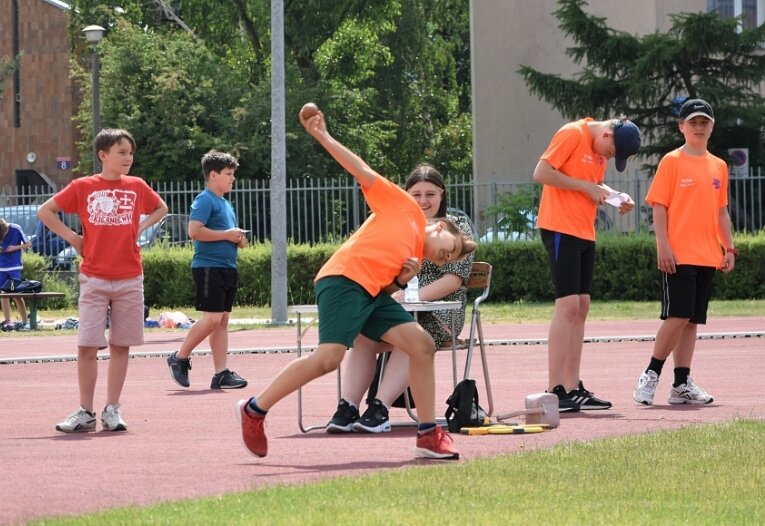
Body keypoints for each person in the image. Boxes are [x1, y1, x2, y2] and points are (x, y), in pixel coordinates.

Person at [236, 105, 477, 460]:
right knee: (328, 359)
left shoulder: (416, 254)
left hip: (371, 294)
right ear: (440, 228)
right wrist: (322, 135)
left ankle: (428, 434)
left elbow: (385, 286)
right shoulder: (405, 208)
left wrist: (400, 280)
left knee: (422, 346)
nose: (442, 259)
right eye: (447, 252)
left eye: (446, 261)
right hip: (343, 280)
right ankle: (254, 409)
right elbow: (361, 170)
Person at [325, 164, 474, 434]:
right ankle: (347, 407)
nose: (423, 201)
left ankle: (379, 408)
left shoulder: (457, 227)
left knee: (415, 335)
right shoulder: (397, 221)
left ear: (442, 195)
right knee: (364, 336)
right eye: (416, 194)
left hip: (441, 312)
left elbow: (453, 280)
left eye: (430, 194)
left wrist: (408, 298)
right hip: (396, 301)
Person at [38, 128, 168, 433]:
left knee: (121, 345)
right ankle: (85, 411)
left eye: (131, 153)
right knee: (87, 346)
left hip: (129, 278)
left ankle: (112, 410)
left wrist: (140, 227)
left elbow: (162, 207)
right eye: (122, 152)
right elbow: (46, 211)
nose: (128, 158)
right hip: (94, 278)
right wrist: (72, 237)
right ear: (103, 155)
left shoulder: (136, 186)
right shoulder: (83, 186)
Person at [534, 116, 641, 412]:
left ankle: (572, 386)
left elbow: (592, 185)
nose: (606, 157)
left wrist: (615, 197)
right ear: (606, 134)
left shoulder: (599, 145)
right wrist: (586, 187)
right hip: (559, 228)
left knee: (581, 306)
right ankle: (555, 389)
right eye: (609, 152)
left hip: (584, 230)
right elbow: (542, 172)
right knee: (567, 305)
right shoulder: (571, 133)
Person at [633, 99, 736, 406]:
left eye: (704, 122)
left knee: (691, 320)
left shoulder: (719, 165)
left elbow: (721, 212)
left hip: (707, 255)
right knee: (677, 315)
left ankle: (681, 384)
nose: (699, 127)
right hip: (678, 254)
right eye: (693, 122)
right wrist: (663, 246)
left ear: (712, 127)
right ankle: (651, 374)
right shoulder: (672, 161)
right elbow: (660, 206)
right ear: (682, 127)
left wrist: (728, 247)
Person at [167, 150, 248, 390]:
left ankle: (221, 373)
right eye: (228, 174)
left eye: (233, 174)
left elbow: (224, 233)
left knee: (222, 320)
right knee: (212, 319)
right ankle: (179, 357)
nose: (232, 179)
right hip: (208, 267)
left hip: (227, 267)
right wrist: (226, 235)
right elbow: (194, 231)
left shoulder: (225, 203)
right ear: (213, 175)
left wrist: (238, 239)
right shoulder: (205, 199)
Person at [0, 218, 31, 330]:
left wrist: (15, 247)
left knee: (16, 294)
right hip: (0, 267)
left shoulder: (16, 228)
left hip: (14, 266)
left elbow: (28, 244)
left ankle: (25, 321)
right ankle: (8, 321)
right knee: (3, 294)